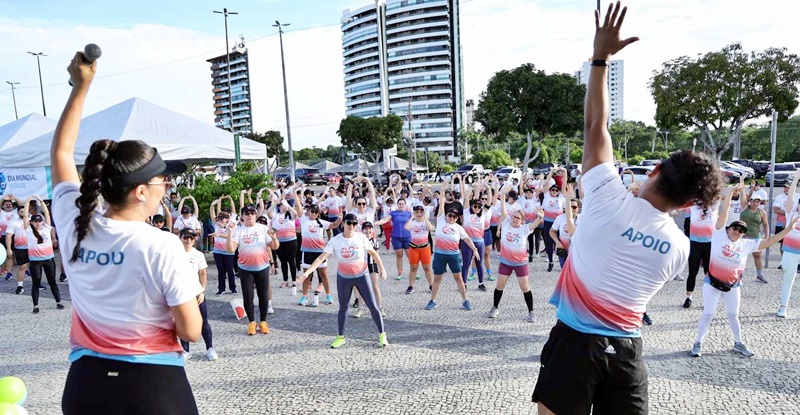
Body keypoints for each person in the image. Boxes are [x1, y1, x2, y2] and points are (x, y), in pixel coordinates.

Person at [532, 4, 724, 414]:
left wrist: (599, 58)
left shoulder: (605, 195)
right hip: (627, 352)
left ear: (654, 170)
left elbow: (595, 127)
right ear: (690, 203)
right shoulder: (679, 248)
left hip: (574, 344)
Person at [54, 54, 204, 414]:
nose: (165, 187)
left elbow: (60, 151)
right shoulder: (162, 244)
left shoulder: (74, 219)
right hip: (153, 387)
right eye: (162, 181)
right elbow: (191, 331)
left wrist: (80, 88)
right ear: (140, 191)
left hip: (85, 386)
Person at [689, 185, 793, 357]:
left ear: (744, 233)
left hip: (733, 285)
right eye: (735, 228)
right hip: (712, 282)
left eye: (741, 230)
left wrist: (788, 229)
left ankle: (738, 343)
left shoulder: (746, 244)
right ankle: (698, 342)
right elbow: (724, 212)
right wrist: (730, 193)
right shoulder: (719, 235)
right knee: (708, 313)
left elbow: (769, 241)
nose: (737, 232)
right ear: (728, 228)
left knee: (732, 314)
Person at [298, 213, 389, 348]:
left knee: (372, 305)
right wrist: (308, 273)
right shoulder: (336, 240)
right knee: (343, 308)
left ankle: (382, 335)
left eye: (354, 224)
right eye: (349, 223)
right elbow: (321, 258)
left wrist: (382, 269)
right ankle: (341, 337)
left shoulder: (361, 237)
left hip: (361, 275)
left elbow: (373, 253)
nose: (351, 226)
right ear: (343, 224)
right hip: (344, 277)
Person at [487, 187, 544, 321]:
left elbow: (535, 224)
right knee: (499, 286)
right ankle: (495, 307)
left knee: (525, 287)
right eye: (514, 217)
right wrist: (503, 194)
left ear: (522, 220)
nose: (515, 219)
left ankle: (531, 311)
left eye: (518, 218)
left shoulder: (524, 229)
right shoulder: (506, 224)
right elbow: (503, 210)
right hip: (505, 262)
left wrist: (540, 217)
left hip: (520, 263)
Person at [227, 204, 279, 335]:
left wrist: (274, 237)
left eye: (252, 213)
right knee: (248, 296)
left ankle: (263, 321)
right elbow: (230, 249)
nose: (249, 216)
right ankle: (251, 322)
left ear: (256, 215)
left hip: (262, 267)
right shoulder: (239, 230)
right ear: (242, 216)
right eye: (246, 213)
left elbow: (274, 246)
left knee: (263, 295)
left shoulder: (262, 228)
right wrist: (230, 233)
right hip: (245, 269)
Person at [425, 192, 480, 311]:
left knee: (458, 278)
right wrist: (444, 188)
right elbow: (441, 203)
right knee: (437, 278)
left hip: (453, 256)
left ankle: (465, 300)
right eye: (450, 215)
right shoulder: (440, 220)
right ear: (446, 215)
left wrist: (474, 250)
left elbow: (467, 239)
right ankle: (433, 300)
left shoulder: (459, 228)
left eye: (454, 217)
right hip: (440, 255)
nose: (452, 218)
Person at [177, 228, 217, 361]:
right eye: (186, 237)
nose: (189, 240)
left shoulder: (198, 254)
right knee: (183, 321)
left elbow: (203, 273)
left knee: (204, 320)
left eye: (191, 238)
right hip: (181, 293)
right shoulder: (174, 254)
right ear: (181, 237)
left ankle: (210, 348)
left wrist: (202, 291)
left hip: (196, 292)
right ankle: (185, 350)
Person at [22, 196, 64, 314]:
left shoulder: (46, 228)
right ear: (31, 222)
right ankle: (36, 306)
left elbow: (47, 214)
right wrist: (28, 202)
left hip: (48, 260)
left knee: (52, 281)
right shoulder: (29, 230)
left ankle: (59, 302)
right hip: (35, 261)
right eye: (35, 221)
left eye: (39, 221)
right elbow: (25, 216)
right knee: (36, 283)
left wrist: (41, 202)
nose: (38, 223)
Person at [296, 202, 340, 307]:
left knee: (324, 275)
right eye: (312, 211)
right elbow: (298, 206)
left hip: (320, 253)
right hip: (307, 252)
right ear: (308, 212)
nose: (314, 214)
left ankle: (328, 295)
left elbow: (334, 225)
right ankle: (304, 296)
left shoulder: (321, 222)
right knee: (306, 276)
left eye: (316, 212)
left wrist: (340, 218)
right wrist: (295, 190)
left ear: (318, 213)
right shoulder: (303, 219)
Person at [683, 200, 720, 308]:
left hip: (710, 243)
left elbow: (721, 196)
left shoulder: (715, 203)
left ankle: (709, 299)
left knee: (709, 273)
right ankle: (689, 297)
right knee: (692, 272)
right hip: (695, 243)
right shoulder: (693, 205)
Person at [778, 172, 800, 318]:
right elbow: (790, 197)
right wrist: (796, 178)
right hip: (791, 250)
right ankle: (783, 307)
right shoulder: (791, 214)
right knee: (788, 279)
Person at [374, 198, 412, 281]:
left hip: (407, 237)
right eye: (400, 204)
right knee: (399, 255)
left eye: (403, 204)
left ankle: (413, 271)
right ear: (397, 205)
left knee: (410, 256)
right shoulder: (393, 213)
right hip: (396, 237)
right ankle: (400, 272)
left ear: (405, 205)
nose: (401, 205)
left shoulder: (409, 214)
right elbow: (385, 220)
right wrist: (375, 223)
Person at [403, 205, 435, 294]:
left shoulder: (425, 222)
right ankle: (410, 286)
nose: (419, 214)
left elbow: (430, 228)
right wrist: (411, 217)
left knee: (427, 268)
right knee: (413, 268)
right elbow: (406, 227)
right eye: (417, 212)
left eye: (421, 212)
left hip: (425, 248)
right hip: (414, 248)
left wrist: (425, 218)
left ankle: (431, 285)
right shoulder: (412, 223)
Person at [740, 194, 769, 283]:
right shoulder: (745, 207)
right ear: (750, 201)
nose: (756, 203)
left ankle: (759, 275)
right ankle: (738, 274)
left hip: (755, 236)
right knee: (741, 256)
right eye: (754, 201)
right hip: (743, 236)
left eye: (758, 202)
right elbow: (743, 193)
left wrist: (767, 236)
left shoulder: (761, 212)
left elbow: (765, 224)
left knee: (757, 256)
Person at [210, 210, 237, 296]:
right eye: (220, 219)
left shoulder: (232, 225)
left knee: (230, 270)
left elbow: (232, 236)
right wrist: (212, 206)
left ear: (227, 219)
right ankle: (221, 289)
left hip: (228, 251)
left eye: (223, 219)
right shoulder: (217, 225)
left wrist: (219, 234)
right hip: (217, 251)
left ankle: (233, 288)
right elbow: (212, 215)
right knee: (221, 271)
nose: (221, 221)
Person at [5, 203, 29, 294]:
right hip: (20, 248)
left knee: (36, 267)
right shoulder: (13, 222)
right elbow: (8, 236)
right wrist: (9, 249)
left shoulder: (33, 220)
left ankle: (37, 284)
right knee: (22, 267)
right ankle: (20, 286)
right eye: (21, 211)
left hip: (33, 248)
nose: (23, 213)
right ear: (18, 212)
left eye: (24, 211)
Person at [0, 196, 20, 280]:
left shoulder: (16, 211)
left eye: (10, 204)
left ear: (12, 205)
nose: (8, 205)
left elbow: (21, 205)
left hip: (17, 235)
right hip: (4, 235)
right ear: (3, 206)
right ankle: (9, 273)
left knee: (20, 254)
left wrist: (15, 198)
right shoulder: (1, 212)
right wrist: (2, 199)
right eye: (6, 204)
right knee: (8, 255)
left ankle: (25, 271)